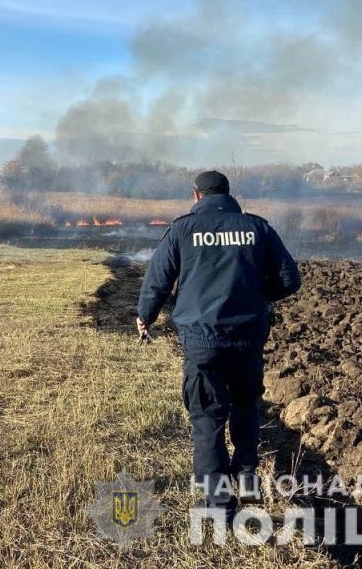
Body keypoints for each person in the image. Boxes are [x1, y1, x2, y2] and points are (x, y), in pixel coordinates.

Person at [137, 170, 301, 523]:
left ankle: (218, 504)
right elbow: (290, 280)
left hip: (201, 339)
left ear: (196, 196)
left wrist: (145, 317)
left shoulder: (182, 229)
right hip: (247, 336)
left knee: (207, 416)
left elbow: (158, 280)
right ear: (228, 194)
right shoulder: (258, 228)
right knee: (245, 404)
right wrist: (255, 298)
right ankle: (247, 479)